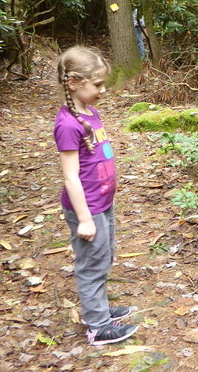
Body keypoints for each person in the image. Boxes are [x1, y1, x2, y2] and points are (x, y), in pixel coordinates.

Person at [54, 46, 139, 346]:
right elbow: (70, 176)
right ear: (75, 82)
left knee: (103, 257)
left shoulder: (90, 112)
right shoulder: (67, 124)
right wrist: (85, 219)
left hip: (103, 202)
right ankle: (97, 326)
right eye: (98, 84)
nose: (103, 90)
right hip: (86, 208)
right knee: (91, 265)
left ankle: (100, 309)